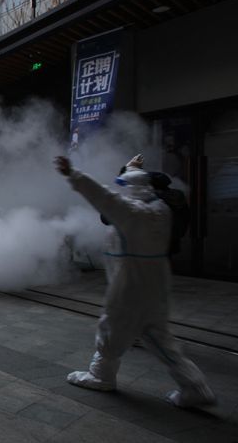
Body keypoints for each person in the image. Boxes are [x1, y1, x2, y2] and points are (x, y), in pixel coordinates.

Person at [54, 154, 216, 408]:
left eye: (125, 186)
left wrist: (73, 174)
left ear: (130, 189)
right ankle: (195, 387)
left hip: (129, 282)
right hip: (157, 281)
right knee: (159, 339)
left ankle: (101, 376)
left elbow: (104, 196)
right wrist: (132, 168)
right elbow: (132, 189)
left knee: (111, 329)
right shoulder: (161, 209)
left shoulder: (131, 211)